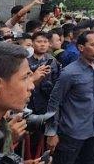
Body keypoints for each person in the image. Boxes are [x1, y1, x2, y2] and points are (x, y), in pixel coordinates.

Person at [45, 31, 94, 164]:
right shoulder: (70, 73)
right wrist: (51, 132)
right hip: (72, 133)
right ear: (81, 48)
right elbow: (54, 102)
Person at [25, 31, 60, 160]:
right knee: (28, 146)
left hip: (46, 108)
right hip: (29, 107)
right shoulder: (25, 61)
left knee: (45, 147)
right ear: (32, 44)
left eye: (45, 42)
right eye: (39, 42)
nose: (42, 45)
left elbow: (57, 85)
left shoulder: (53, 61)